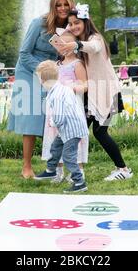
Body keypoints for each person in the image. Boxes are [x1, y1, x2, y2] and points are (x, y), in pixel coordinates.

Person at [56, 4, 133, 181]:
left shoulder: (95, 38)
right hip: (93, 96)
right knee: (78, 128)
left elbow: (93, 47)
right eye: (71, 24)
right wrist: (70, 31)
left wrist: (76, 43)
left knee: (100, 132)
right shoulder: (80, 41)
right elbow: (68, 33)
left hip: (109, 95)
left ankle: (123, 169)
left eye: (77, 23)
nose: (74, 26)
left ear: (86, 21)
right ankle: (73, 170)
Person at [7, 0, 76, 179]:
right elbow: (24, 53)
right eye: (58, 5)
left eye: (65, 4)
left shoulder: (72, 26)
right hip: (30, 70)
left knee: (55, 117)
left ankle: (57, 165)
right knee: (31, 116)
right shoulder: (39, 23)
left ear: (71, 4)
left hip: (54, 71)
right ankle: (26, 167)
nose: (62, 8)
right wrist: (43, 70)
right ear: (53, 7)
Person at [41, 31, 89, 183]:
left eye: (67, 44)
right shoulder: (56, 65)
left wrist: (72, 87)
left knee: (72, 137)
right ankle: (57, 170)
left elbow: (85, 84)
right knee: (56, 136)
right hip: (56, 106)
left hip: (71, 105)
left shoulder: (77, 64)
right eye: (60, 44)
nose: (64, 47)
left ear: (74, 46)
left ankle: (79, 170)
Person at [34, 60, 89, 193]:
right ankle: (51, 170)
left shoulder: (56, 95)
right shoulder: (60, 88)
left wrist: (52, 122)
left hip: (72, 129)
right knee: (56, 147)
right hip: (68, 127)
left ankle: (79, 181)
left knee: (68, 156)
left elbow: (58, 116)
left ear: (42, 80)